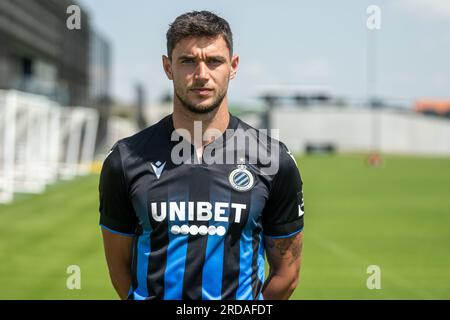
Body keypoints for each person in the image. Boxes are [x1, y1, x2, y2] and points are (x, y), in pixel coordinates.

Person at [99, 10, 305, 300]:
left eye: (214, 61)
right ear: (168, 67)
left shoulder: (274, 160)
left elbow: (287, 274)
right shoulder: (125, 160)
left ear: (233, 66)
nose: (201, 75)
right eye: (187, 61)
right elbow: (119, 269)